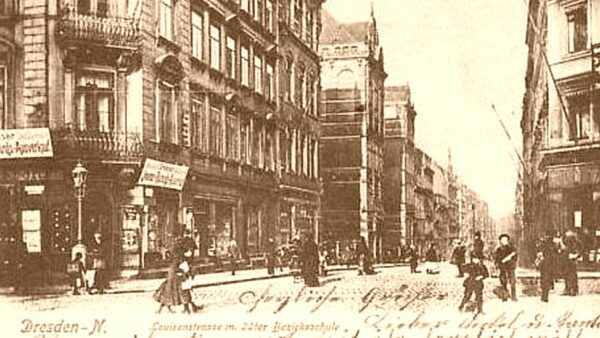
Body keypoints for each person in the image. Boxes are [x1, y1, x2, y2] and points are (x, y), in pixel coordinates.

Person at [536, 232, 560, 302]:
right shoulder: (552, 245)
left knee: (545, 280)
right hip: (548, 264)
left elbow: (539, 254)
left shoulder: (543, 245)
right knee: (547, 279)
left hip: (547, 265)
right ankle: (545, 295)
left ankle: (545, 295)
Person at [494, 234, 518, 302]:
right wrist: (499, 262)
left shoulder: (511, 248)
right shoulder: (498, 249)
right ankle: (504, 296)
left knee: (512, 281)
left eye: (505, 240)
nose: (504, 241)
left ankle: (514, 296)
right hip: (503, 267)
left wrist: (510, 259)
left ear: (507, 241)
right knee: (503, 281)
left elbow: (515, 257)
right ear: (500, 241)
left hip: (510, 267)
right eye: (502, 240)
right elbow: (497, 258)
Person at [563, 231, 580, 296]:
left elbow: (578, 252)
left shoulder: (574, 244)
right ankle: (569, 289)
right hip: (568, 259)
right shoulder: (571, 244)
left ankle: (572, 289)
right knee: (568, 274)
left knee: (571, 274)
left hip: (571, 260)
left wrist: (575, 255)